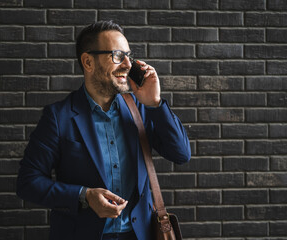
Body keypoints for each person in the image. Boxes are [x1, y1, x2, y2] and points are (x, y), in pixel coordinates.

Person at [16, 20, 191, 240]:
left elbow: (181, 154)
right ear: (88, 62)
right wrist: (84, 195)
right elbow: (28, 182)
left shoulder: (141, 109)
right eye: (117, 55)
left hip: (139, 235)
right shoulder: (59, 117)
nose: (128, 64)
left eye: (129, 54)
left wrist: (155, 103)